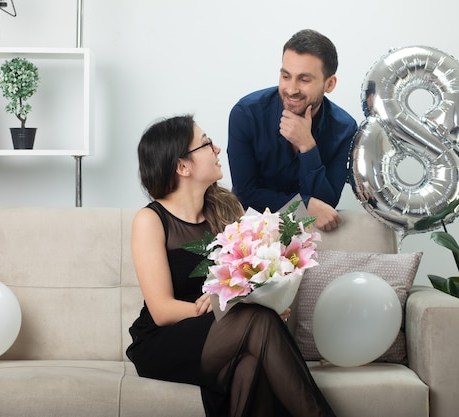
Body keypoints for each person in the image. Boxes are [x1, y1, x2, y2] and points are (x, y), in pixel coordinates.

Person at [127, 115, 337, 417]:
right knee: (259, 321)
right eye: (206, 144)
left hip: (227, 332)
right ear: (182, 166)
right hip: (166, 340)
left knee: (249, 368)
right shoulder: (150, 220)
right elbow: (161, 311)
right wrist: (224, 306)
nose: (217, 149)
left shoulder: (228, 208)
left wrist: (267, 297)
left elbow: (247, 280)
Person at [228, 29, 358, 231]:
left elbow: (326, 203)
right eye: (286, 76)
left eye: (304, 80)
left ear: (330, 84)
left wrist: (307, 145)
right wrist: (305, 203)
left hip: (312, 235)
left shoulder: (345, 129)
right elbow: (245, 194)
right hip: (252, 230)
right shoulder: (246, 114)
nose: (291, 89)